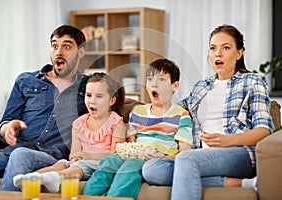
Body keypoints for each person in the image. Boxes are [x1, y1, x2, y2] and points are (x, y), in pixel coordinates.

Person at [168, 24, 274, 200]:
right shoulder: (201, 87)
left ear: (239, 53)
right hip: (200, 155)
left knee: (185, 161)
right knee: (153, 170)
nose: (218, 53)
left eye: (226, 48)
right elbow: (173, 109)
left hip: (240, 153)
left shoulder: (253, 81)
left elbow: (264, 130)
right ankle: (241, 183)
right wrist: (136, 105)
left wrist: (228, 140)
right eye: (213, 48)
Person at [0, 25, 92, 191]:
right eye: (55, 46)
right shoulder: (26, 80)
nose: (58, 52)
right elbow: (4, 123)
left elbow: (114, 96)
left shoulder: (88, 87)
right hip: (12, 151)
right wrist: (7, 129)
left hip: (53, 159)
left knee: (21, 155)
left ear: (81, 53)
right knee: (16, 155)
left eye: (67, 46)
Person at [83, 58, 193, 200]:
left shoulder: (181, 115)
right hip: (135, 156)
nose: (154, 84)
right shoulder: (138, 112)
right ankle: (87, 197)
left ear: (174, 85)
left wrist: (164, 157)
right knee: (109, 161)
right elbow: (131, 143)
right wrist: (122, 150)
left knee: (131, 165)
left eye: (161, 80)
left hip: (159, 161)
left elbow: (185, 153)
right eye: (150, 79)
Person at [12, 72, 126, 192]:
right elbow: (74, 152)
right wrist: (75, 157)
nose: (92, 101)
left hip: (101, 164)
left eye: (99, 96)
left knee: (79, 166)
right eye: (88, 95)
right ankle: (30, 178)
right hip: (81, 162)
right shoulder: (78, 123)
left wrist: (88, 156)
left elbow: (116, 156)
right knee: (61, 164)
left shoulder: (116, 122)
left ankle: (55, 179)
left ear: (112, 101)